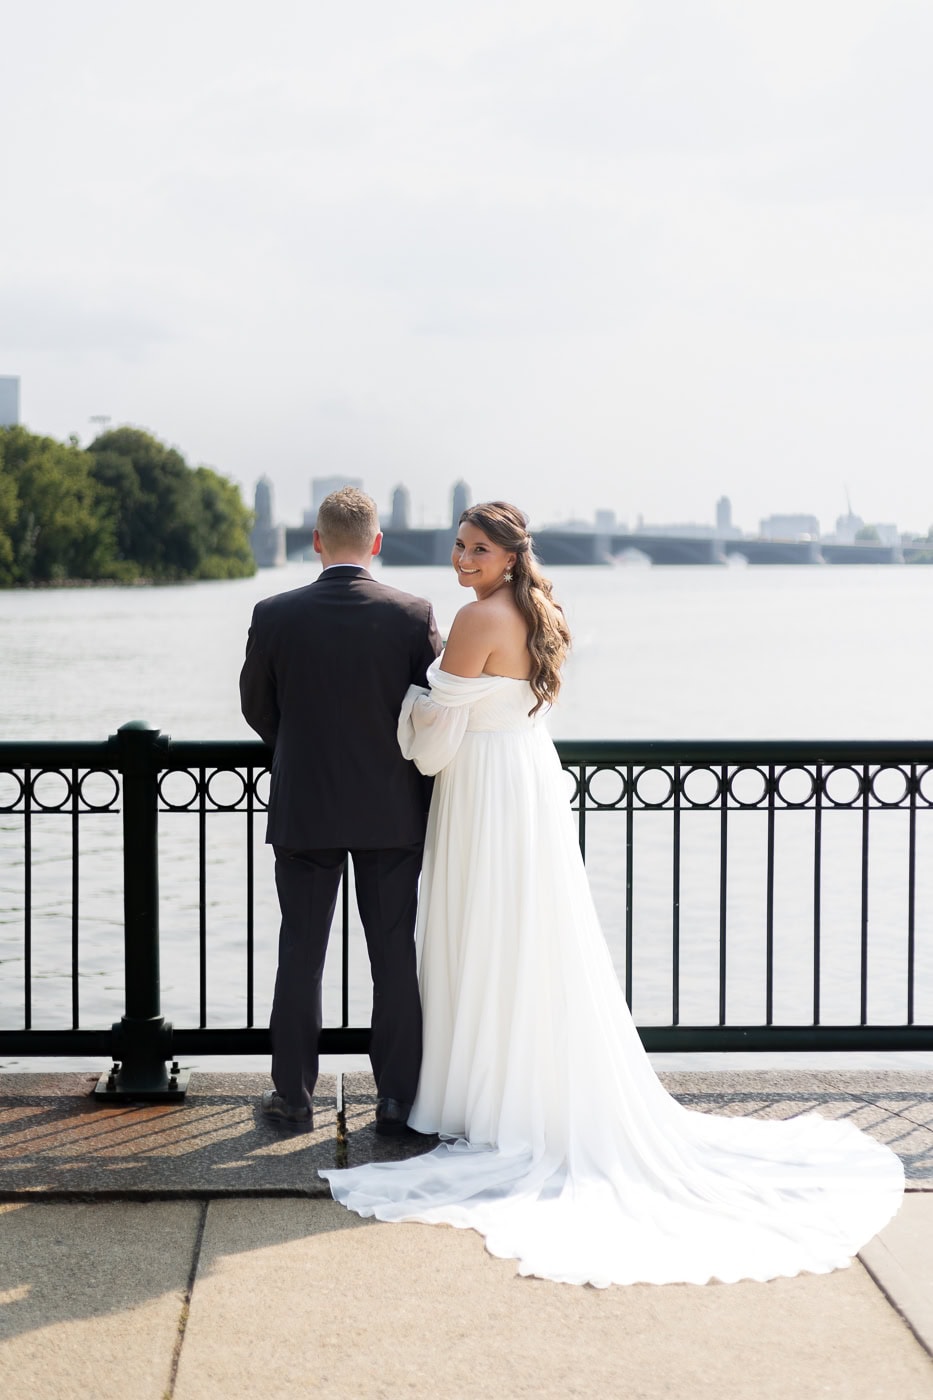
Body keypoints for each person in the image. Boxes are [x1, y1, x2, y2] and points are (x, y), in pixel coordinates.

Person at [320, 500, 904, 1287]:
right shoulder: (543, 611)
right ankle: (513, 1087)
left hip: (485, 793)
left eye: (476, 549)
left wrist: (406, 708)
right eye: (459, 547)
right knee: (529, 936)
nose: (461, 560)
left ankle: (473, 1097)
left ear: (505, 555)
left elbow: (429, 741)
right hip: (527, 785)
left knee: (480, 933)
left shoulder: (472, 620)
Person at [239, 487, 441, 1133]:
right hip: (390, 810)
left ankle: (294, 1097)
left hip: (305, 807)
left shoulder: (274, 614)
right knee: (392, 958)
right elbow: (428, 714)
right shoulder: (413, 615)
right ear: (376, 542)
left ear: (316, 541)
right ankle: (395, 1099)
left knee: (300, 951)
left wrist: (296, 748)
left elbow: (256, 707)